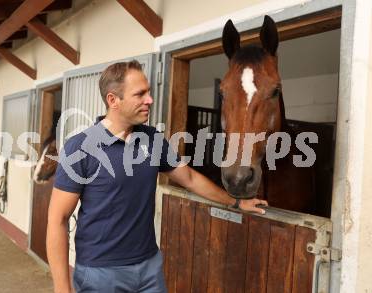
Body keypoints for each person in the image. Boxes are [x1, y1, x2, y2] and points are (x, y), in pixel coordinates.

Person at [46, 60, 268, 293]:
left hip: (149, 268)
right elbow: (57, 220)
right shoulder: (80, 148)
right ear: (113, 100)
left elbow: (190, 178)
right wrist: (63, 289)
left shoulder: (152, 140)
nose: (149, 100)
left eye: (149, 92)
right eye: (140, 94)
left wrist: (236, 202)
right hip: (101, 273)